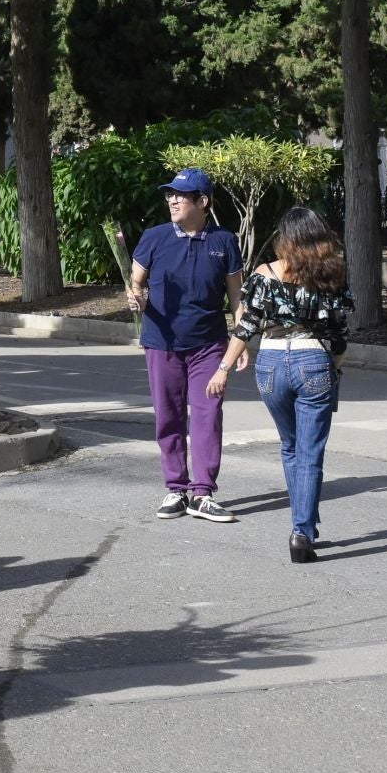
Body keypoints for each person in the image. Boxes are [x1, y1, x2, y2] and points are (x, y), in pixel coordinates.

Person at [207, 207, 354, 564]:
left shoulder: (264, 273)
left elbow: (246, 326)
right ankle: (302, 531)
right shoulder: (330, 273)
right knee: (310, 452)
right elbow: (339, 332)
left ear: (284, 237)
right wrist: (334, 368)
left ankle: (305, 521)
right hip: (313, 360)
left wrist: (223, 368)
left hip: (271, 363)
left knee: (290, 446)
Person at [127, 166, 245, 523]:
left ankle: (203, 493)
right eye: (170, 195)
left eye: (180, 195)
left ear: (202, 201)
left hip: (209, 343)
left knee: (208, 415)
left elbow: (236, 297)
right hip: (162, 342)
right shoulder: (154, 237)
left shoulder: (224, 241)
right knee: (169, 415)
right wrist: (136, 299)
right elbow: (136, 284)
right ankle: (175, 489)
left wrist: (241, 344)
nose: (173, 200)